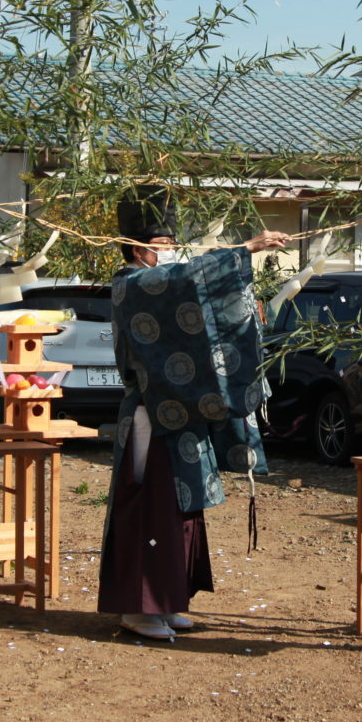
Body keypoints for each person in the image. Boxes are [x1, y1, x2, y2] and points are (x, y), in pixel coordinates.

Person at [97, 184, 289, 640]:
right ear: (133, 246)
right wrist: (244, 248)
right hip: (149, 411)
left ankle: (171, 598)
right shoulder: (130, 284)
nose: (165, 253)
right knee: (152, 504)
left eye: (167, 245)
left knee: (184, 506)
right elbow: (180, 282)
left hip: (180, 411)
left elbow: (197, 295)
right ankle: (139, 607)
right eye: (157, 245)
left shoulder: (161, 277)